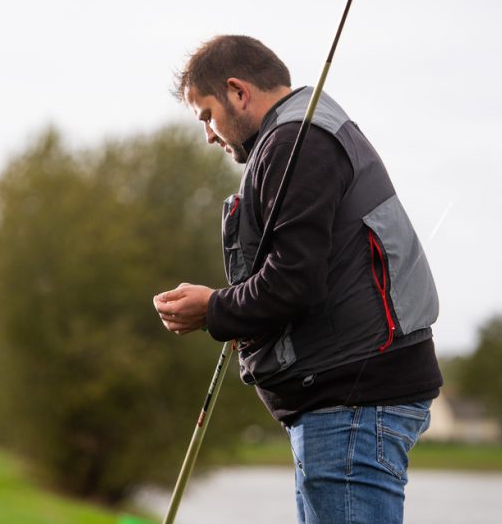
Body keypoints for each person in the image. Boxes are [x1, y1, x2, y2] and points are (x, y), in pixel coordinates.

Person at [153, 35, 443, 523]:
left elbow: (293, 282)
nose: (208, 133)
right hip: (346, 399)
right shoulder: (298, 135)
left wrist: (215, 308)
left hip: (352, 399)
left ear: (237, 91)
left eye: (206, 115)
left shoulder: (295, 141)